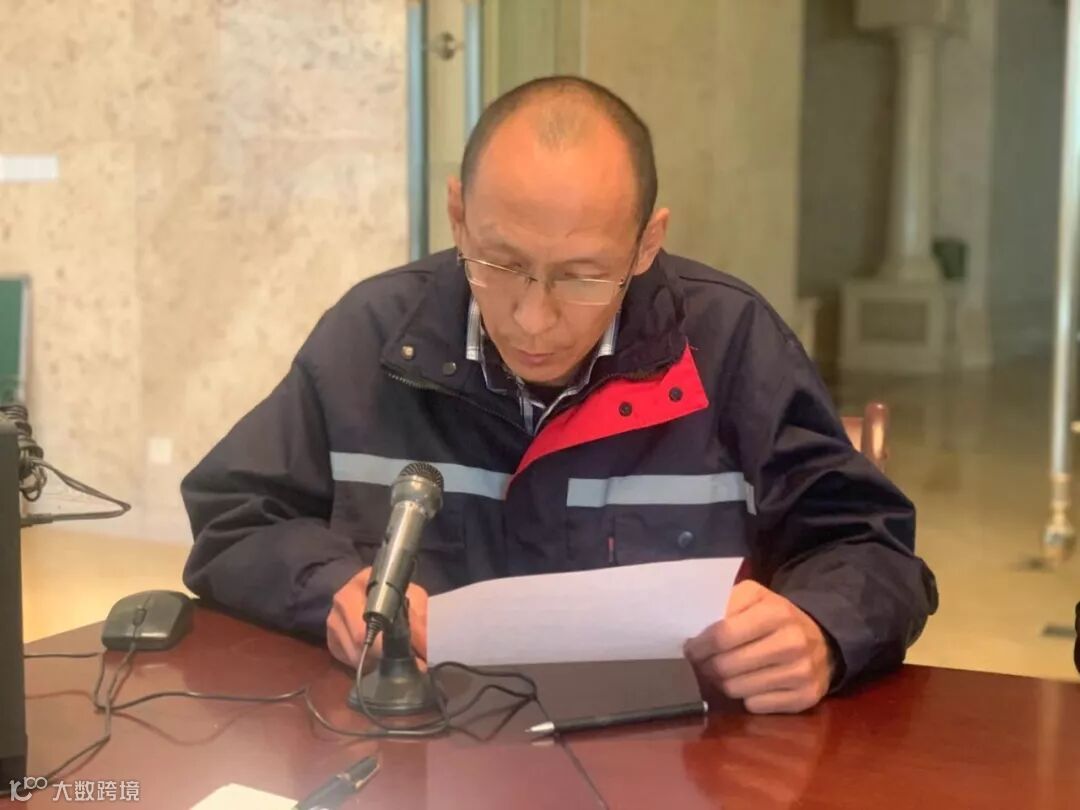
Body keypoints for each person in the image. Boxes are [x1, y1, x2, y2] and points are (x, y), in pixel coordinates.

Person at [181, 76, 937, 714]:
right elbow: (236, 517)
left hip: (680, 762)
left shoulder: (731, 345)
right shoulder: (372, 337)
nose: (533, 318)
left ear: (646, 244)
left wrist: (820, 630)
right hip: (422, 752)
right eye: (501, 263)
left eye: (582, 276)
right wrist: (331, 589)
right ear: (457, 216)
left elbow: (871, 548)